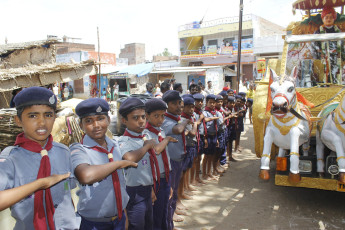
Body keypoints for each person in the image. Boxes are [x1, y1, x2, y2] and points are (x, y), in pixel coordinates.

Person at [0, 86, 79, 229]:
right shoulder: (10, 159)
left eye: (48, 115)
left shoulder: (63, 152)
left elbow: (67, 195)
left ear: (55, 117)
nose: (42, 122)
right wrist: (40, 184)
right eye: (33, 116)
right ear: (18, 120)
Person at [70, 98, 137, 230]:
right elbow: (86, 175)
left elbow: (120, 184)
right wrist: (117, 164)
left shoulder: (115, 145)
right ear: (80, 125)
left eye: (100, 118)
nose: (96, 125)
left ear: (108, 119)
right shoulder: (78, 149)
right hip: (93, 223)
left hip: (119, 218)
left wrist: (123, 214)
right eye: (88, 121)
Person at [118, 97, 158, 230]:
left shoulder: (144, 136)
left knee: (148, 224)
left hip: (146, 189)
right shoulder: (123, 140)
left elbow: (146, 168)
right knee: (137, 225)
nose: (141, 121)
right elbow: (129, 158)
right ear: (124, 120)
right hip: (134, 193)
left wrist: (150, 189)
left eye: (143, 117)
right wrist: (146, 147)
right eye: (135, 118)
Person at [143, 98, 177, 230]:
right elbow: (156, 150)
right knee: (156, 215)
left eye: (162, 116)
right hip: (155, 180)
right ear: (147, 115)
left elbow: (165, 157)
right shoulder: (145, 133)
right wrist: (167, 139)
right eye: (156, 116)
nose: (160, 119)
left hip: (165, 178)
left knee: (165, 211)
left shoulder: (160, 130)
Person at [161, 90, 191, 228]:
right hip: (171, 162)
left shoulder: (175, 118)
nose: (179, 106)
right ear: (166, 105)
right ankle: (169, 217)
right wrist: (185, 122)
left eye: (180, 103)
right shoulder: (166, 120)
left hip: (178, 158)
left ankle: (173, 210)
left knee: (175, 187)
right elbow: (178, 130)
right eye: (174, 104)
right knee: (170, 191)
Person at [314, 6, 343, 84]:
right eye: (326, 17)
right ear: (323, 19)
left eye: (331, 17)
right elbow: (314, 44)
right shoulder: (318, 32)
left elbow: (342, 44)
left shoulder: (338, 31)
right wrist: (320, 51)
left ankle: (336, 84)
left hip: (336, 57)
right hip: (323, 58)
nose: (329, 19)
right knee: (324, 73)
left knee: (336, 73)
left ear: (334, 18)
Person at [180, 96, 199, 202]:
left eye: (193, 107)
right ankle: (182, 191)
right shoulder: (184, 120)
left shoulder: (190, 118)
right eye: (189, 107)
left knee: (187, 168)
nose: (191, 109)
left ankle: (186, 187)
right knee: (183, 170)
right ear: (183, 108)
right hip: (186, 146)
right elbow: (192, 133)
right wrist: (195, 125)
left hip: (191, 146)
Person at [202, 94, 220, 180]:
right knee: (206, 156)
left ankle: (209, 172)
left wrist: (216, 139)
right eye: (210, 103)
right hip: (207, 136)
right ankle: (204, 174)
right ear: (207, 103)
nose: (212, 104)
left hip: (214, 136)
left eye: (214, 103)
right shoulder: (205, 112)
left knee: (211, 155)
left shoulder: (214, 112)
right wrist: (213, 118)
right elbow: (205, 120)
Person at [192, 93, 207, 186]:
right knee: (194, 159)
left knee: (199, 158)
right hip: (194, 138)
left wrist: (205, 138)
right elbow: (196, 123)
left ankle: (197, 177)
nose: (200, 103)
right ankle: (192, 179)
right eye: (198, 101)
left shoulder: (201, 112)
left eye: (201, 101)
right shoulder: (194, 113)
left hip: (201, 137)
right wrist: (201, 119)